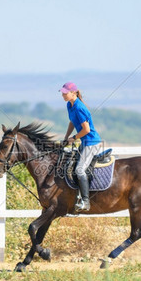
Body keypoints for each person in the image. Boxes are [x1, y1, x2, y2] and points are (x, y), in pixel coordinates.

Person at [60, 82, 103, 212]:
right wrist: (66, 137)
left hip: (92, 142)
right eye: (62, 92)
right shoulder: (70, 105)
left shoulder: (79, 107)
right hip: (84, 142)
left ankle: (85, 202)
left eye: (65, 93)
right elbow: (72, 122)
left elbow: (87, 130)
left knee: (79, 169)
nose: (63, 95)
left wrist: (73, 138)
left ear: (73, 93)